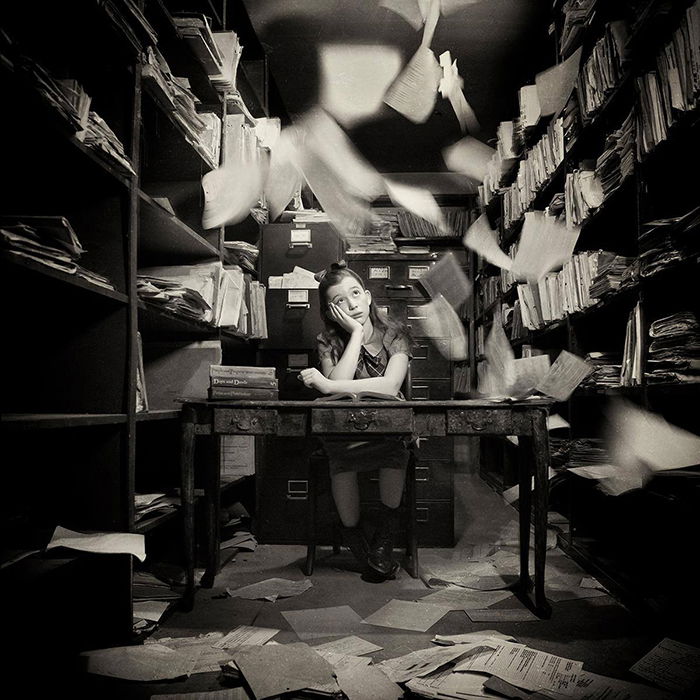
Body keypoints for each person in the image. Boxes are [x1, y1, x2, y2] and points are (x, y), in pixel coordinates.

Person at [298, 261, 413, 580]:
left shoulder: (395, 332)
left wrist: (330, 385)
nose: (351, 304)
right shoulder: (328, 340)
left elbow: (390, 387)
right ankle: (361, 546)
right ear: (330, 312)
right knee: (341, 460)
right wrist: (356, 334)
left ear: (367, 296)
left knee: (394, 453)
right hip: (343, 431)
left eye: (354, 294)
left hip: (389, 428)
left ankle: (383, 542)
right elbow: (339, 391)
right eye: (339, 302)